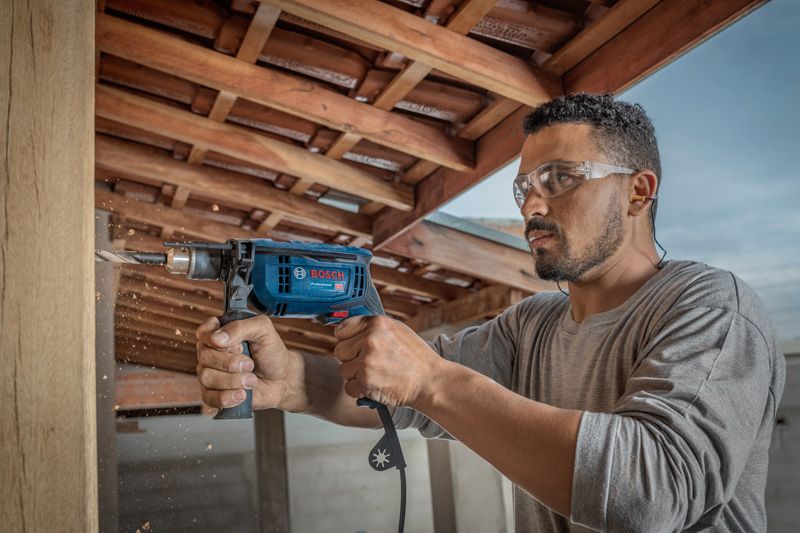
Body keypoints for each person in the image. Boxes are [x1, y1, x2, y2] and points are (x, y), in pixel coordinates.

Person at [194, 93, 785, 532]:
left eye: (559, 178)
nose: (531, 203)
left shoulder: (711, 308)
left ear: (638, 190)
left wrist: (430, 380)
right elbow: (402, 393)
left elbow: (648, 491)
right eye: (525, 184)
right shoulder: (532, 326)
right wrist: (291, 380)